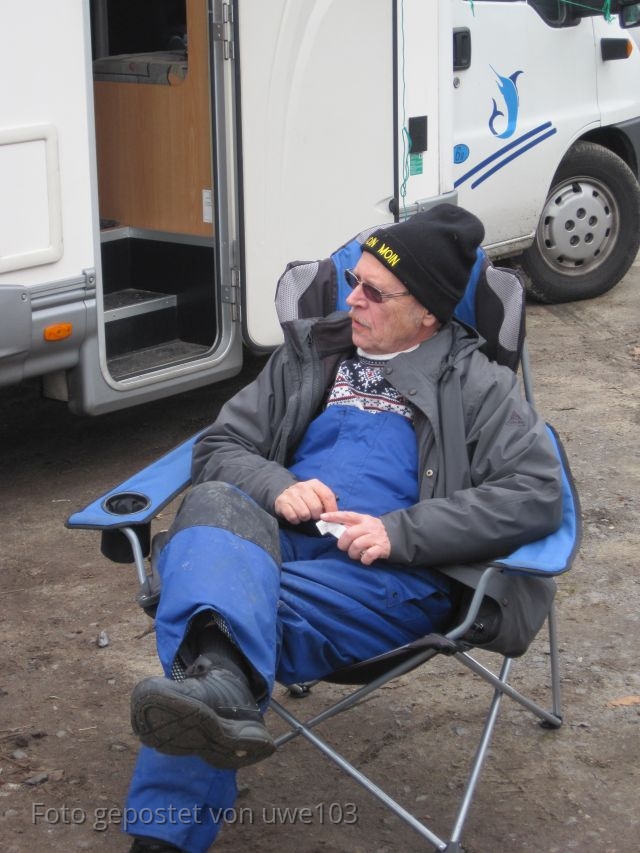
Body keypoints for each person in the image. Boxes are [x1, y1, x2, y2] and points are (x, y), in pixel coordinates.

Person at [124, 204, 563, 852]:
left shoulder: (478, 384)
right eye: (354, 280)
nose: (351, 299)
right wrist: (277, 485)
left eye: (374, 292)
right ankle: (223, 686)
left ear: (428, 314)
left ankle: (162, 831)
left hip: (389, 571)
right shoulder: (313, 354)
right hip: (276, 538)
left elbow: (537, 493)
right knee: (216, 504)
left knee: (210, 620)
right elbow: (220, 446)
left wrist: (402, 532)